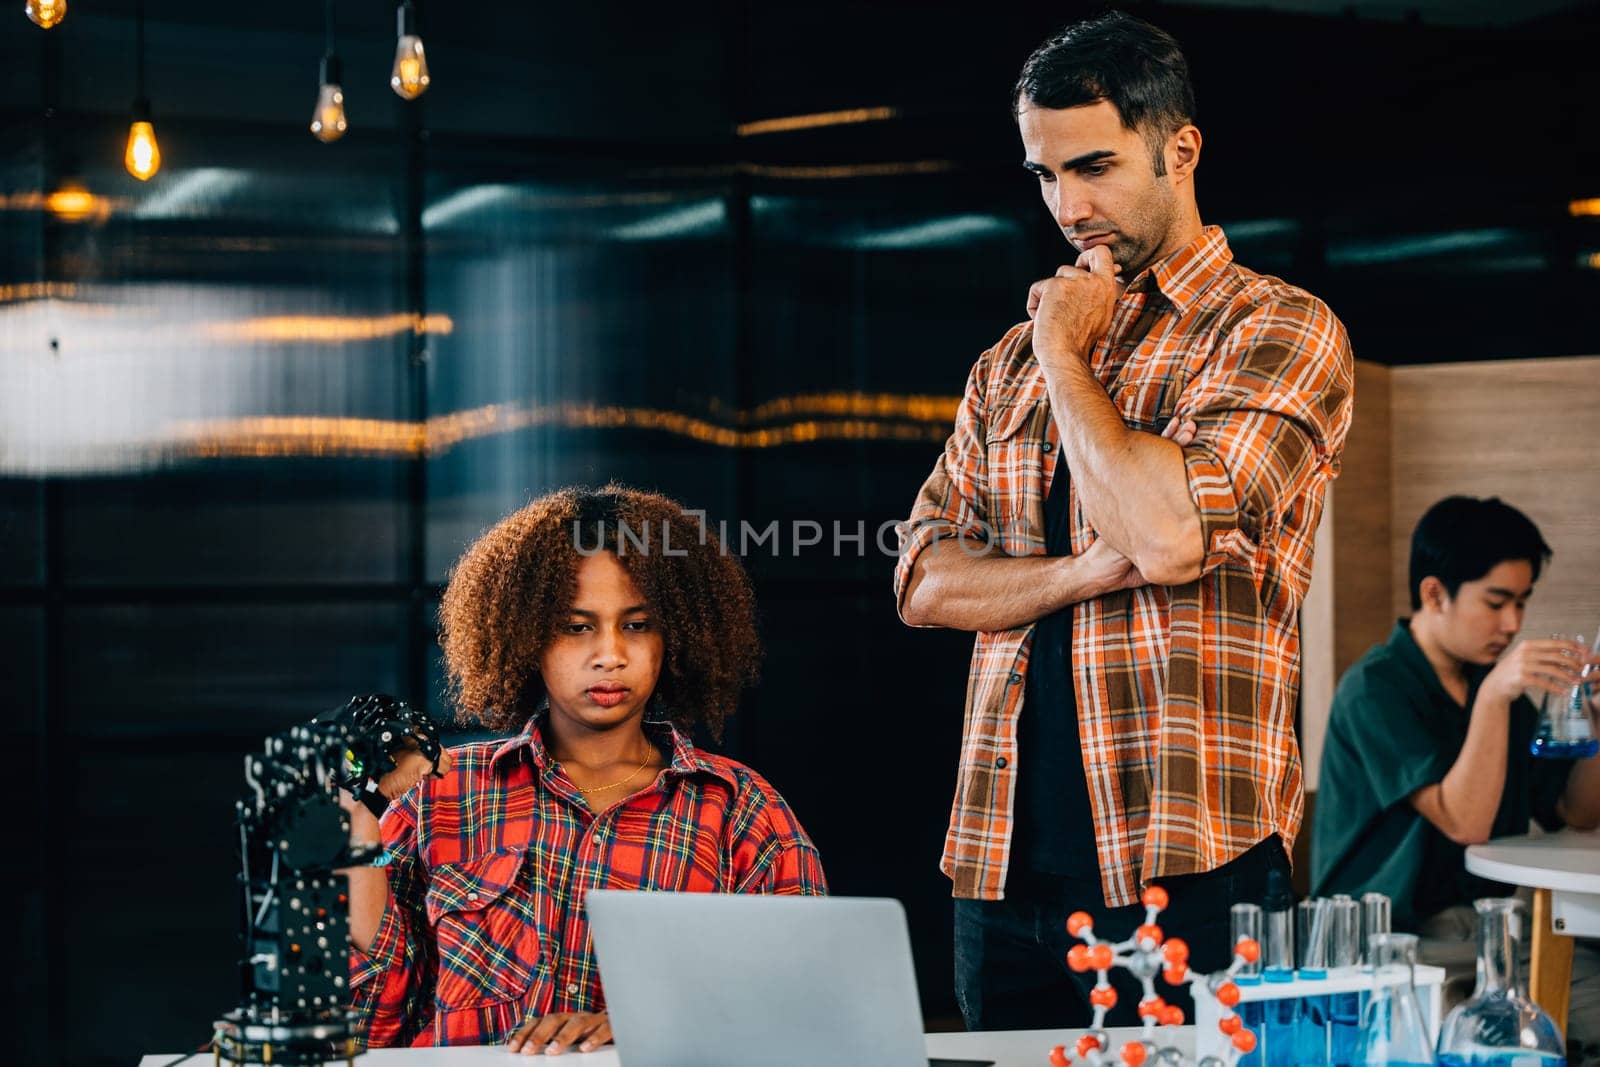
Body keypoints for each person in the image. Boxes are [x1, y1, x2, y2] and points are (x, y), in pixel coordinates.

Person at [893, 12, 1354, 1030]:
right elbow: (924, 583)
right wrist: (1083, 572)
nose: (1069, 206)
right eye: (1045, 175)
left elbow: (1166, 533)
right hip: (998, 868)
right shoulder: (999, 364)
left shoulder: (1277, 327)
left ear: (1178, 149)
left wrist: (1065, 351)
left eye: (1093, 167)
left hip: (1191, 862)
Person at [342, 486, 827, 1053]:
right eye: (577, 627)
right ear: (525, 638)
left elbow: (807, 1009)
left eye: (638, 624)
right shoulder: (441, 793)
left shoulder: (741, 809)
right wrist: (360, 812)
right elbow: (369, 1020)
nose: (610, 654)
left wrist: (647, 1026)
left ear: (679, 635)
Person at [1312, 495, 1600, 1059]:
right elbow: (1464, 819)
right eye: (1496, 602)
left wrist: (1595, 722)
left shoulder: (1498, 692)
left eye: (1521, 602)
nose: (1513, 624)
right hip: (1395, 944)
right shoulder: (1377, 687)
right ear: (1434, 593)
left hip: (1497, 933)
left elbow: (1578, 813)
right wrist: (1495, 693)